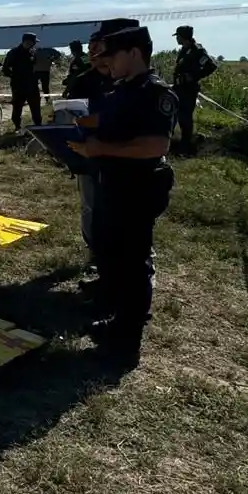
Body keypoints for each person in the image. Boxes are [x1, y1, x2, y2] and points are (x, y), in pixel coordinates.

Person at [67, 21, 177, 365]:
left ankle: (127, 341)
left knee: (133, 263)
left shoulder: (155, 93)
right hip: (112, 184)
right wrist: (75, 125)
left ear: (134, 53)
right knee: (110, 254)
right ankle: (117, 320)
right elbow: (108, 121)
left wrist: (100, 149)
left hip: (138, 187)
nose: (106, 63)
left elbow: (156, 145)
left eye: (112, 56)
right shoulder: (122, 89)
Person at [63, 32, 114, 267]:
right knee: (90, 205)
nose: (93, 54)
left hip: (119, 153)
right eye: (91, 49)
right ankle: (93, 252)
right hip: (88, 152)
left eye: (99, 49)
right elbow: (70, 116)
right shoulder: (83, 81)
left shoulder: (126, 81)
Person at [172, 25, 217, 154]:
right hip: (179, 87)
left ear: (183, 36)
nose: (177, 39)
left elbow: (211, 66)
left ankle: (185, 146)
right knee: (175, 114)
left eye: (178, 36)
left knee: (185, 117)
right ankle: (174, 142)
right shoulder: (184, 49)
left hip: (188, 89)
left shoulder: (198, 51)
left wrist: (194, 76)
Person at [1, 33, 42, 130]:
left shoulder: (33, 52)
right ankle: (17, 127)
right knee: (17, 107)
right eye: (33, 42)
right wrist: (16, 76)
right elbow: (5, 69)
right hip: (18, 86)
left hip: (32, 85)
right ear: (27, 41)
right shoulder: (13, 53)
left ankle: (38, 127)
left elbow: (34, 66)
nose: (34, 44)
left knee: (35, 107)